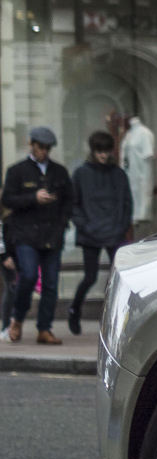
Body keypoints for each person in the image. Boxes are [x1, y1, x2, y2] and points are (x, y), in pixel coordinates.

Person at [3, 125, 74, 345]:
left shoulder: (59, 171)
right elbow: (7, 200)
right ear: (30, 144)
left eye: (48, 148)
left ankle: (45, 328)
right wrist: (33, 198)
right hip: (25, 234)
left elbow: (69, 201)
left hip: (52, 235)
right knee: (29, 275)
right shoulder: (17, 171)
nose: (45, 151)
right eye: (41, 147)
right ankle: (18, 319)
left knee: (51, 284)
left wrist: (63, 223)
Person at [67, 129, 133, 338]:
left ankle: (120, 321)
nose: (103, 155)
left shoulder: (119, 174)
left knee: (122, 279)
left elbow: (127, 203)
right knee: (89, 277)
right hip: (90, 233)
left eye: (106, 151)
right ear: (93, 151)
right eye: (99, 151)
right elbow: (73, 205)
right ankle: (74, 309)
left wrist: (121, 226)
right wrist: (85, 226)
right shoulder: (81, 173)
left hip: (114, 232)